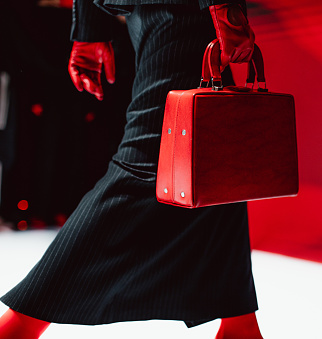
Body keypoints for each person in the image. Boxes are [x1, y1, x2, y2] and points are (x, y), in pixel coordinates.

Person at [0, 0, 263, 338]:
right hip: (184, 12)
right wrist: (227, 9)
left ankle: (240, 326)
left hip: (160, 13)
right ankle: (21, 324)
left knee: (210, 161)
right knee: (151, 162)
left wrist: (89, 31)